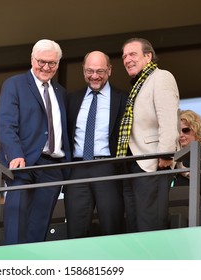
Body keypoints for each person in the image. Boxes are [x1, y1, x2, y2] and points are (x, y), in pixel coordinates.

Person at [0, 39, 71, 245]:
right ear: (32, 59)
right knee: (16, 227)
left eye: (52, 63)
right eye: (41, 61)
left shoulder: (61, 92)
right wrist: (15, 154)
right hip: (23, 163)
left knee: (39, 228)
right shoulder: (14, 84)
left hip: (52, 167)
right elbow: (6, 125)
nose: (46, 67)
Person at [117, 38, 180, 232]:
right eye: (124, 56)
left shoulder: (161, 77)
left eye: (133, 54)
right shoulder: (139, 84)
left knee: (149, 223)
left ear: (148, 56)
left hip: (152, 162)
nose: (127, 59)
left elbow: (168, 119)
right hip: (133, 163)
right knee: (135, 224)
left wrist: (166, 154)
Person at [64, 51, 127, 238]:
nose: (94, 76)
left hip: (108, 168)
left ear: (109, 70)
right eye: (89, 71)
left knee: (112, 226)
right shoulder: (71, 99)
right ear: (83, 70)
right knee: (75, 229)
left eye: (100, 71)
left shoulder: (123, 98)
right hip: (76, 169)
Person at [173, 110, 201, 202]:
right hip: (169, 206)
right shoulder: (168, 157)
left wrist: (184, 171)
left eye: (185, 130)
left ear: (196, 132)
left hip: (193, 207)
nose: (181, 135)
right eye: (178, 131)